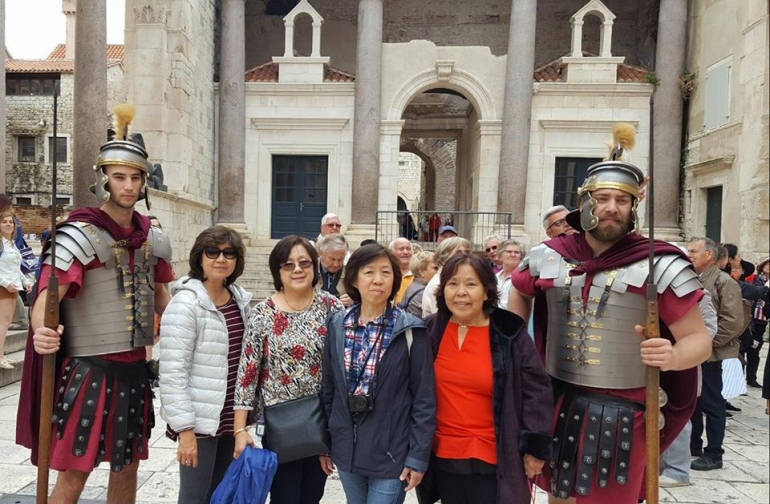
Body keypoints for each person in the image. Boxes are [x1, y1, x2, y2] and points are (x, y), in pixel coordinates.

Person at [510, 145, 711, 502]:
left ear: (633, 208)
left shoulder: (659, 262)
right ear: (585, 201)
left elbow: (698, 340)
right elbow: (520, 290)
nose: (611, 207)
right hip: (556, 401)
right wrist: (514, 342)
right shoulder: (550, 255)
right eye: (602, 198)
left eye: (622, 200)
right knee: (559, 498)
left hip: (623, 415)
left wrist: (673, 355)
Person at [16, 104, 174, 504]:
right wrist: (41, 334)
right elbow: (46, 298)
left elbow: (162, 298)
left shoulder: (153, 237)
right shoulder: (79, 234)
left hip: (136, 369)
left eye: (135, 177)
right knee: (74, 473)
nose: (128, 185)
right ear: (102, 180)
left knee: (127, 470)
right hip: (89, 370)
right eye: (119, 177)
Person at [419, 253, 552, 504]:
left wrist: (535, 447)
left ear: (487, 291)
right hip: (442, 456)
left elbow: (537, 391)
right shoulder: (429, 331)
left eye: (471, 284)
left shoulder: (509, 332)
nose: (461, 292)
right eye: (452, 283)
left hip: (495, 455)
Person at [320, 244, 435, 504]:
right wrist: (327, 442)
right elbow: (329, 390)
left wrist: (417, 457)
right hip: (346, 449)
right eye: (369, 272)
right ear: (354, 279)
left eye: (386, 272)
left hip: (391, 453)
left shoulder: (410, 330)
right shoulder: (338, 324)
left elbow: (424, 399)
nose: (378, 279)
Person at [233, 235, 343, 504]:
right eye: (288, 264)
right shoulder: (262, 314)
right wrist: (239, 431)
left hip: (321, 420)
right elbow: (247, 374)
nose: (297, 269)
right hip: (281, 423)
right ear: (277, 271)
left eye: (304, 263)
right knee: (284, 495)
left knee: (312, 495)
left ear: (314, 267)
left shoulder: (332, 306)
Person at [159, 226, 251, 504]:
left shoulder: (239, 299)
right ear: (200, 257)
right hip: (199, 421)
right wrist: (185, 431)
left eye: (229, 253)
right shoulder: (185, 303)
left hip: (228, 418)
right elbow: (173, 372)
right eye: (213, 252)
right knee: (194, 497)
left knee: (221, 495)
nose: (220, 259)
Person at [686, 237, 744, 471]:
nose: (689, 255)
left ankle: (714, 453)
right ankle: (693, 445)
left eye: (693, 251)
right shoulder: (693, 279)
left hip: (714, 355)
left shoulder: (723, 281)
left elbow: (733, 321)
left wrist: (708, 343)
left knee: (713, 403)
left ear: (709, 254)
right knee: (694, 402)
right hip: (696, 353)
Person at [659, 289, 718, 488]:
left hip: (683, 365)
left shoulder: (698, 293)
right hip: (655, 360)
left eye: (694, 253)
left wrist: (680, 345)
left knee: (679, 415)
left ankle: (677, 471)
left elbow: (708, 329)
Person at [0, 211, 34, 369]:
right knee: (3, 323)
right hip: (3, 287)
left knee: (6, 323)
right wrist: (5, 283)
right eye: (4, 222)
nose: (8, 224)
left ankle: (2, 354)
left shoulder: (12, 243)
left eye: (11, 222)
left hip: (13, 287)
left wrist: (25, 280)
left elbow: (15, 267)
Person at [421, 237, 471, 318]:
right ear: (443, 257)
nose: (464, 256)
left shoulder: (454, 277)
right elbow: (441, 318)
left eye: (467, 252)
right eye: (458, 253)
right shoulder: (438, 283)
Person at [748, 257, 769, 388]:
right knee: (745, 347)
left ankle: (751, 377)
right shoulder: (755, 280)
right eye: (768, 263)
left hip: (763, 320)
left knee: (755, 350)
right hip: (751, 317)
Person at [317, 233, 352, 307]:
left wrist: (352, 300)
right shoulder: (310, 269)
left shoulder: (349, 273)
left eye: (340, 259)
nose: (336, 264)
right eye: (332, 259)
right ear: (321, 253)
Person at [400, 251, 437, 317]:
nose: (439, 271)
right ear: (422, 271)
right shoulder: (424, 291)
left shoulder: (413, 286)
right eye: (435, 268)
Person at [494, 239, 523, 310]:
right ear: (500, 256)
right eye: (509, 252)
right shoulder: (494, 277)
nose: (513, 255)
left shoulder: (523, 278)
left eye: (516, 252)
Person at [390, 237, 414, 303]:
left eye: (408, 249)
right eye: (401, 249)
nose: (405, 252)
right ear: (391, 253)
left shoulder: (419, 274)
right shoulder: (387, 274)